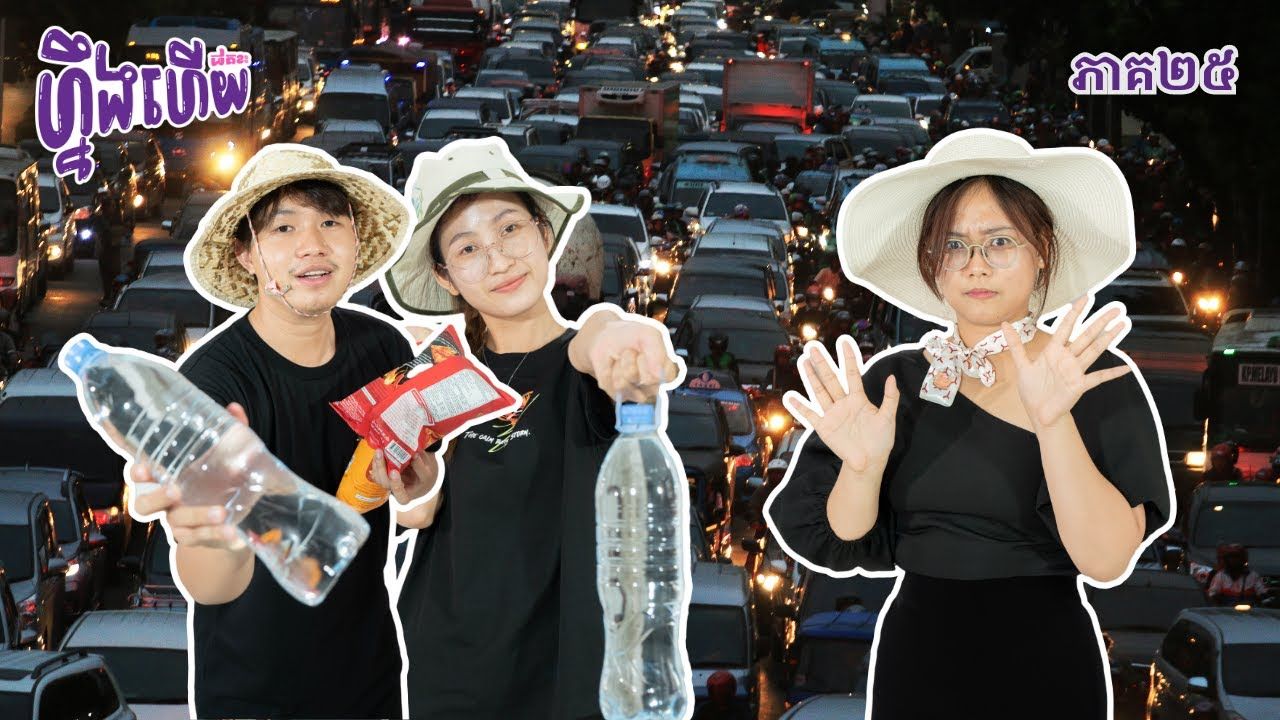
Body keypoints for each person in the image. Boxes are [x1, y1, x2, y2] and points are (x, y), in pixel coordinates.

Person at [768, 130, 1172, 720]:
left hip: (1046, 662)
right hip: (920, 659)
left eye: (999, 241)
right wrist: (862, 467)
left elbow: (1107, 561)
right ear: (932, 264)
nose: (975, 264)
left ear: (1042, 251)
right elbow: (846, 535)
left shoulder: (1090, 378)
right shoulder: (896, 380)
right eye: (953, 245)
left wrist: (1053, 421)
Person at [381, 138, 683, 719]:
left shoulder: (580, 367)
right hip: (447, 681)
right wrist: (412, 494)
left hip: (566, 690)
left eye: (510, 229)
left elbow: (599, 339)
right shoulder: (434, 377)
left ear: (544, 235)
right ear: (446, 276)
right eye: (468, 248)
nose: (498, 260)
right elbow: (404, 511)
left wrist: (618, 335)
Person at [127, 146, 418, 718]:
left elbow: (407, 489)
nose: (313, 244)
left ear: (356, 240)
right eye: (284, 228)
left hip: (370, 679)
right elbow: (210, 583)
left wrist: (415, 480)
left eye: (330, 222)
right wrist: (208, 538)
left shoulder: (384, 347)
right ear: (246, 255)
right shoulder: (212, 385)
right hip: (254, 694)